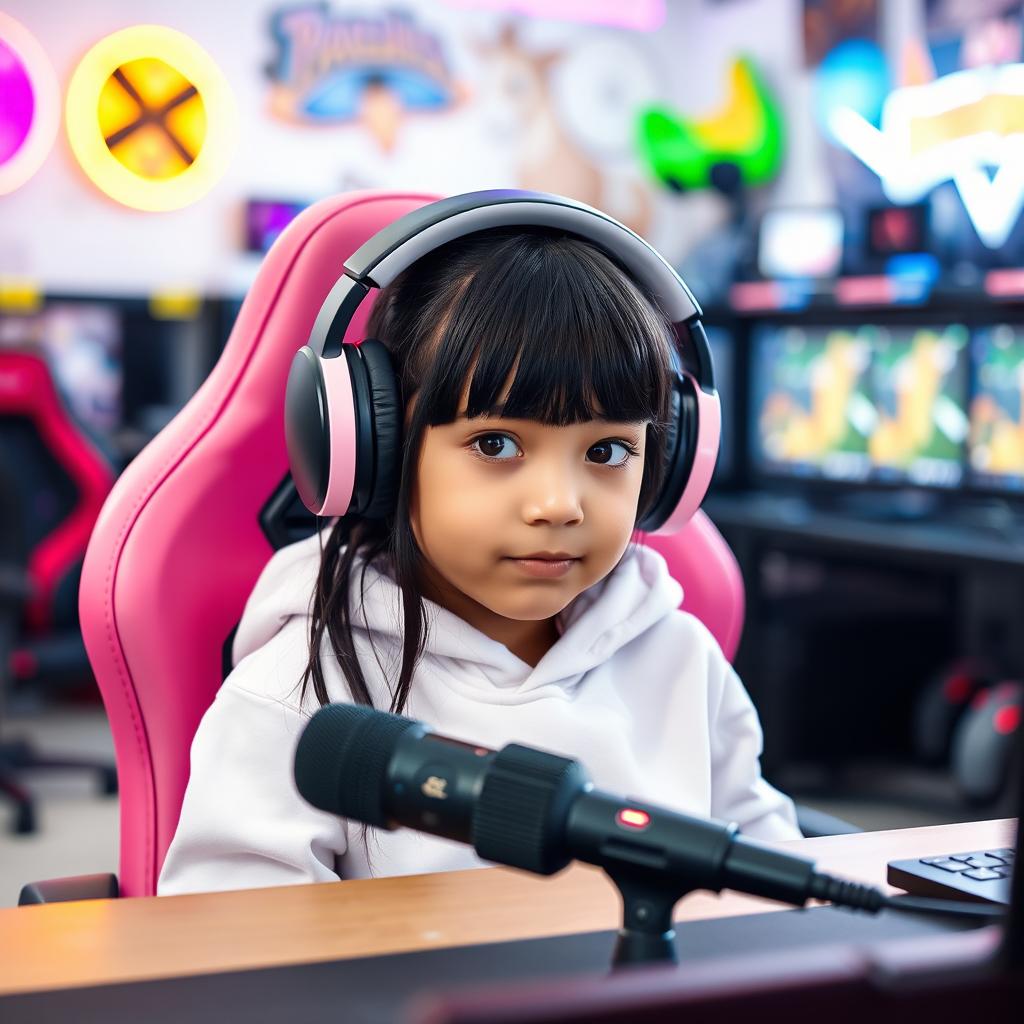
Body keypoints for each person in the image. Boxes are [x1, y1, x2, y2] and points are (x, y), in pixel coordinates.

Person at [157, 221, 799, 896]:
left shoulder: (680, 660)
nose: (558, 504)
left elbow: (767, 874)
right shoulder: (301, 690)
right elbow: (229, 951)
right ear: (384, 448)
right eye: (496, 445)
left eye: (606, 451)